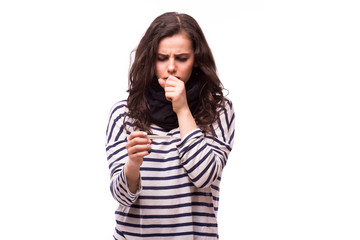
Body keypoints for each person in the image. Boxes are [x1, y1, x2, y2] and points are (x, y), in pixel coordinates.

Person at [105, 12, 235, 239]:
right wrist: (133, 164)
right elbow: (122, 197)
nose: (171, 67)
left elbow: (204, 176)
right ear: (150, 59)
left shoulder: (218, 111)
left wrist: (183, 109)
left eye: (182, 58)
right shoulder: (124, 115)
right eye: (162, 58)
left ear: (196, 60)